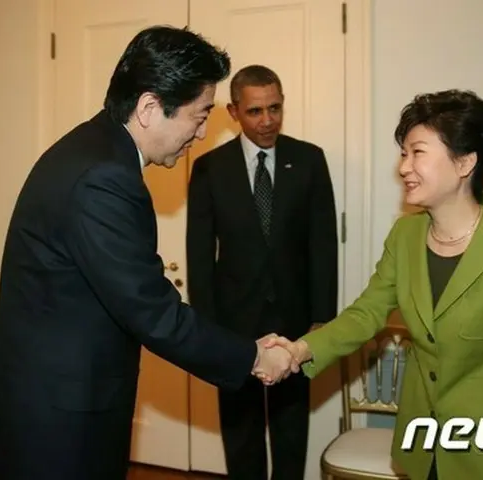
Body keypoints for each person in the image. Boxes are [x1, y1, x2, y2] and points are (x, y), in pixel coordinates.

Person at [0, 26, 294, 480]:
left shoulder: (95, 151)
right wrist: (253, 357)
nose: (202, 134)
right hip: (57, 425)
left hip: (56, 403)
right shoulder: (103, 177)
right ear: (149, 108)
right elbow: (153, 312)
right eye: (199, 115)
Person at [264, 89, 483, 480]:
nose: (404, 167)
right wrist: (299, 350)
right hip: (421, 443)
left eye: (417, 152)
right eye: (403, 153)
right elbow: (365, 313)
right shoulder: (404, 237)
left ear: (465, 163)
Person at [186, 64, 338, 480]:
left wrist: (321, 322)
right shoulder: (209, 169)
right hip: (234, 328)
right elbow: (199, 255)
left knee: (291, 435)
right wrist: (207, 328)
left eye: (275, 108)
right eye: (255, 111)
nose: (267, 120)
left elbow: (323, 246)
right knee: (241, 435)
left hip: (295, 326)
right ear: (234, 112)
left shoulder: (309, 160)